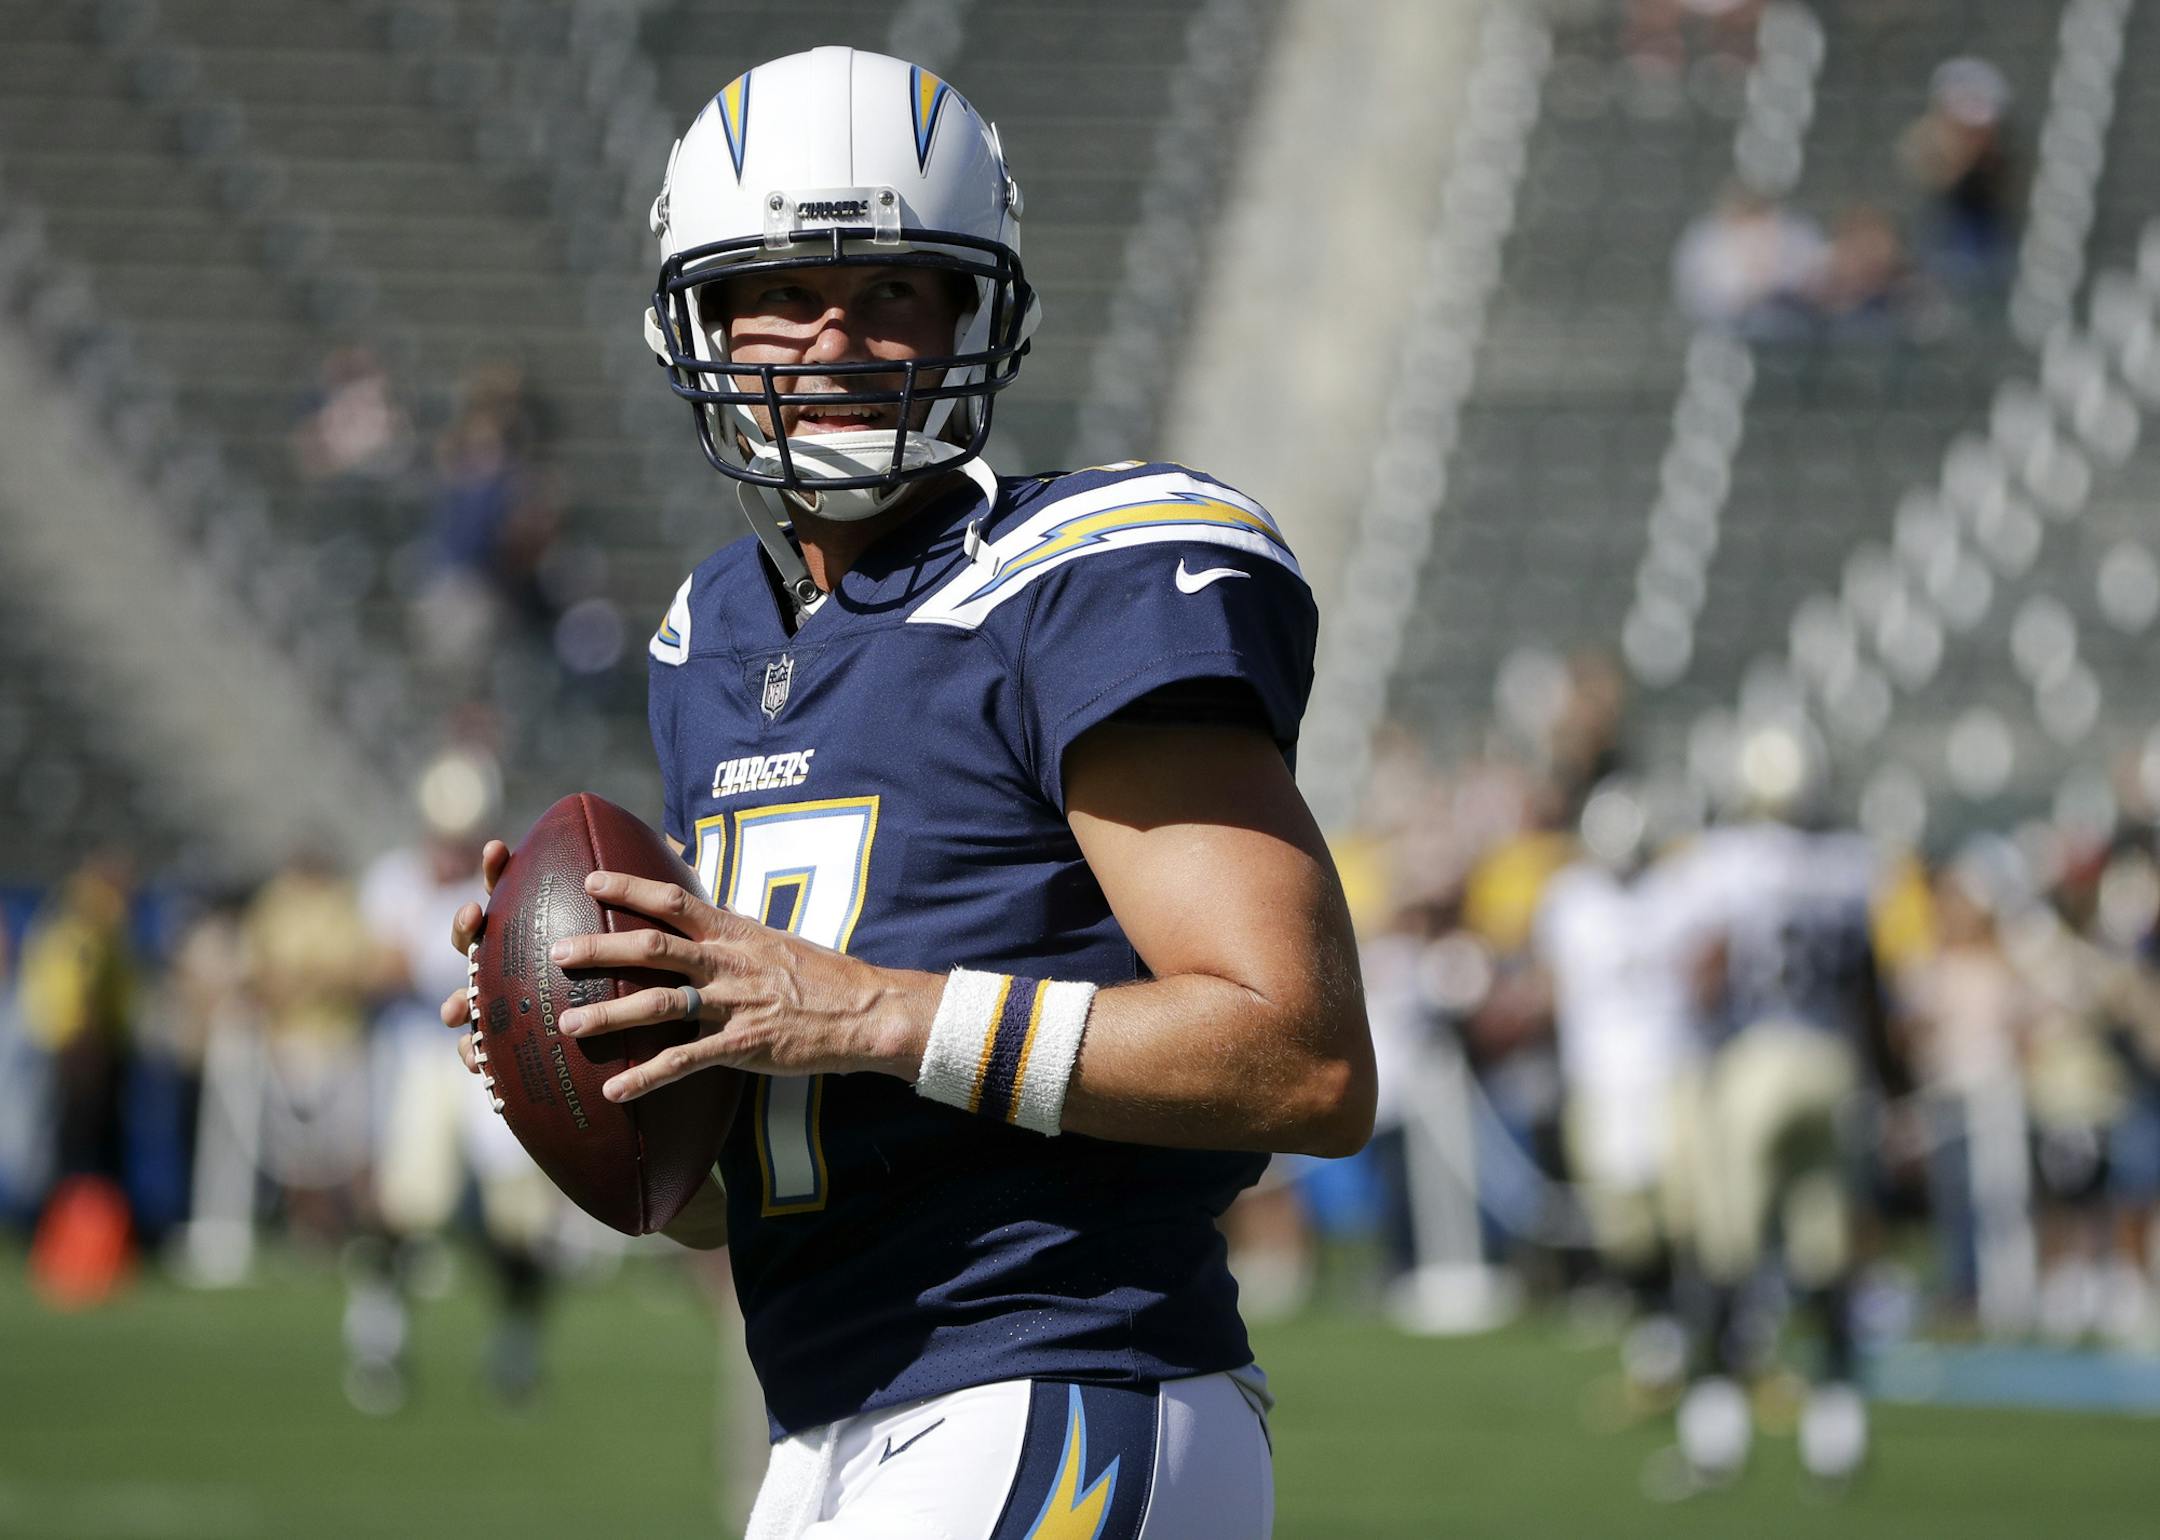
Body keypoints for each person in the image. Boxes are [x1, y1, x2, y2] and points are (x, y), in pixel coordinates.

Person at [438, 47, 1371, 1540]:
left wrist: (874, 1009)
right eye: (782, 293)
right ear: (699, 321)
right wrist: (593, 1066)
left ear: (969, 315)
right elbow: (761, 1182)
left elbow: (1305, 1060)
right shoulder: (709, 641)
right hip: (828, 1418)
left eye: (891, 290)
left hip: (1061, 1378)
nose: (836, 338)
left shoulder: (1078, 580)